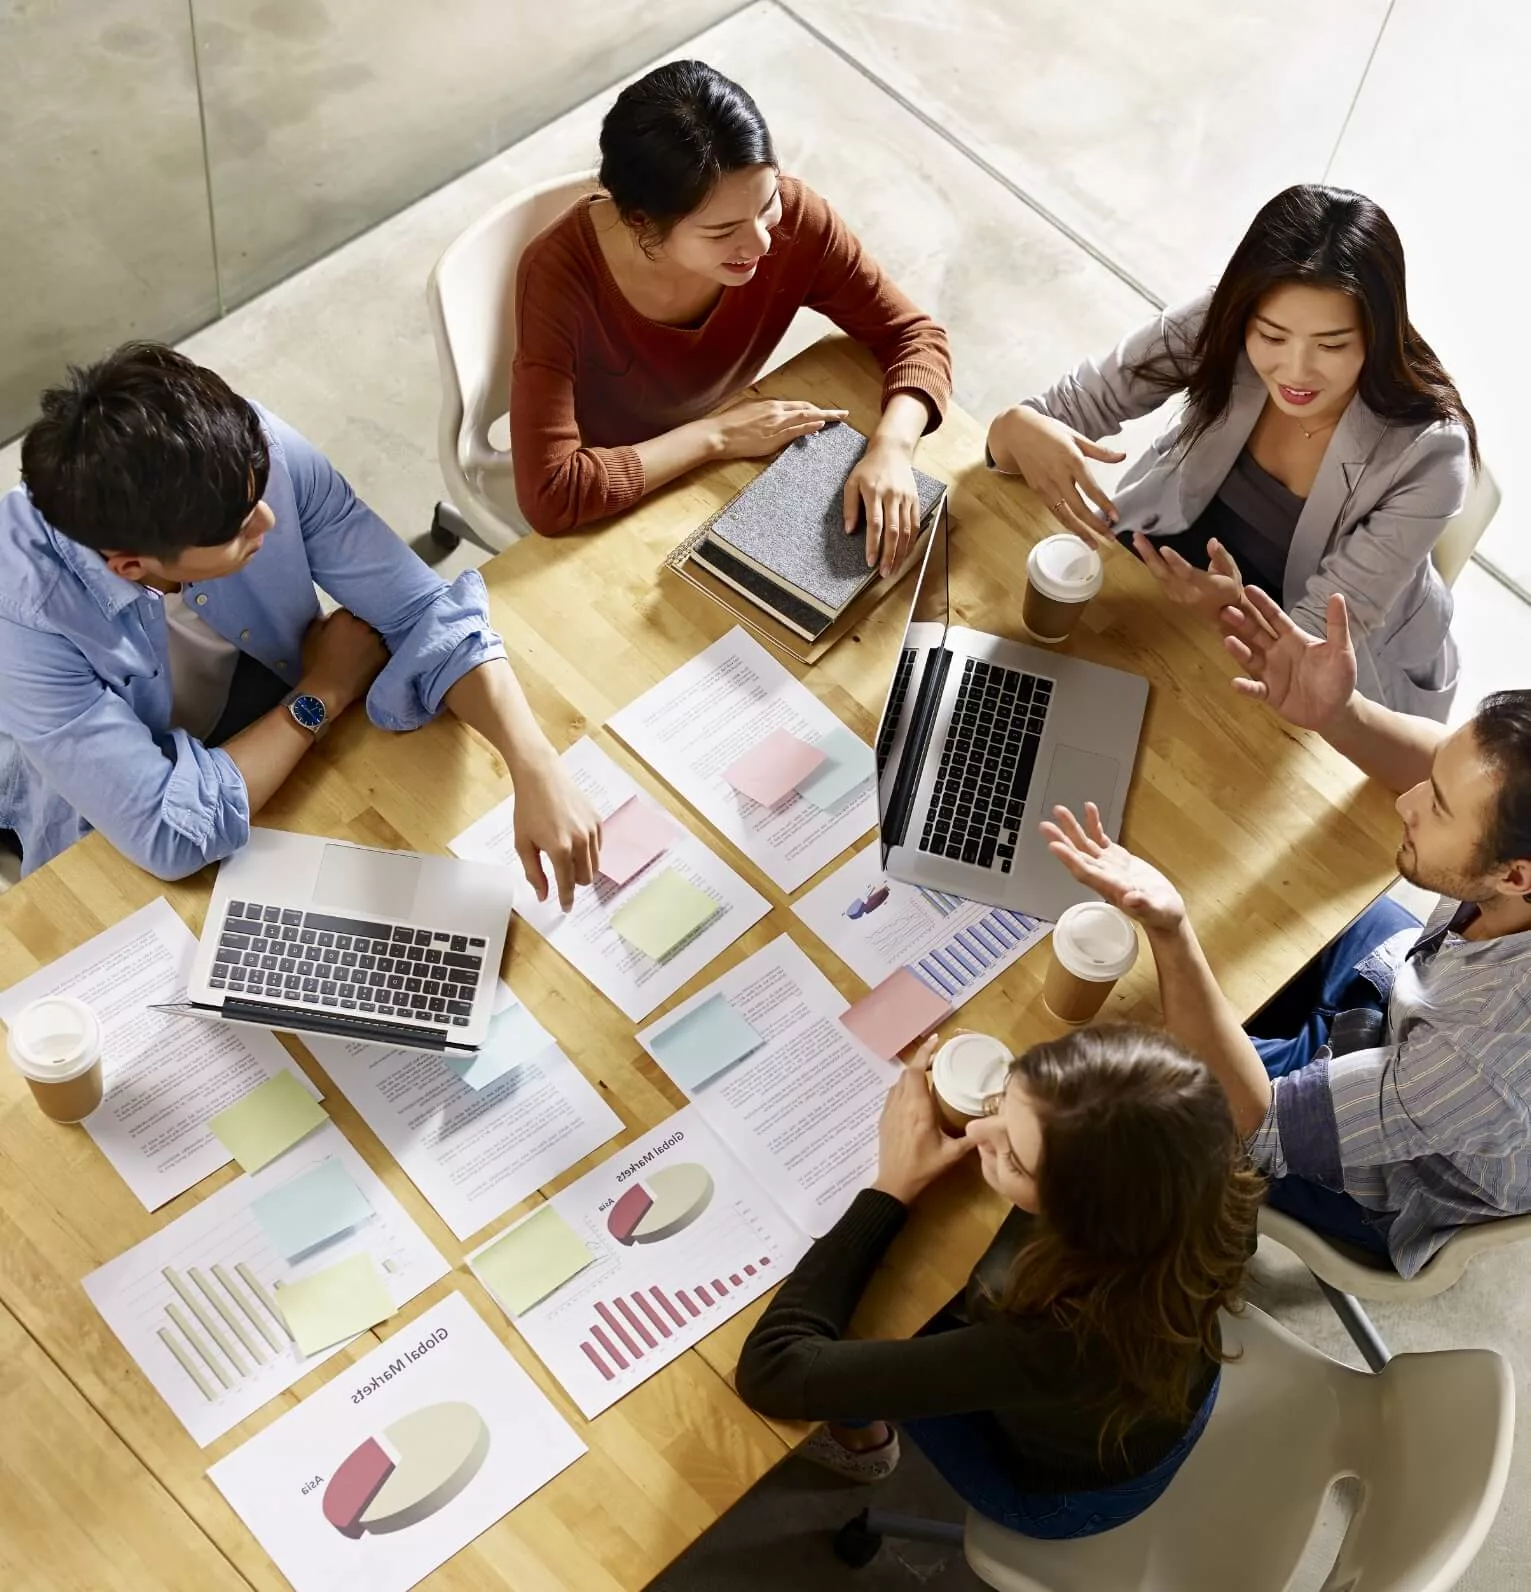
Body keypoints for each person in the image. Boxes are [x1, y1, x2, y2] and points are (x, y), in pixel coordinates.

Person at [0, 343, 600, 904]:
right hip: (106, 801)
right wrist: (325, 689)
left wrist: (535, 765)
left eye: (259, 496)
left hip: (258, 692)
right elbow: (168, 831)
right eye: (238, 530)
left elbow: (424, 612)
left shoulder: (243, 453)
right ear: (132, 566)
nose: (267, 519)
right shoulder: (24, 613)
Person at [1044, 586, 1531, 1278]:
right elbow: (1454, 776)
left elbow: (1258, 1124)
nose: (1407, 801)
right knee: (1254, 907)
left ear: (1514, 876)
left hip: (1387, 1168)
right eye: (1430, 778)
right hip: (1407, 992)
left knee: (1106, 1083)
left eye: (1438, 807)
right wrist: (1340, 713)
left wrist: (1171, 930)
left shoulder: (1482, 1058)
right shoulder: (1511, 863)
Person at [735, 1028, 1259, 1537]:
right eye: (1002, 1098)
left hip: (1068, 1496)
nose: (979, 1133)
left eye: (1013, 1157)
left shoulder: (1058, 1340)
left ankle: (862, 1447)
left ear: (1080, 1222)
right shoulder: (1204, 1172)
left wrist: (892, 1185)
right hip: (1160, 1403)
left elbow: (772, 1371)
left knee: (888, 1325)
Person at [986, 184, 1478, 720]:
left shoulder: (1431, 453)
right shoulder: (1222, 321)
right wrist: (1017, 426)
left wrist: (1232, 610)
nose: (1296, 371)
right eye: (1273, 336)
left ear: (1380, 335)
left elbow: (1315, 644)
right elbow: (1064, 410)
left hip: (1323, 656)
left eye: (1332, 345)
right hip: (1175, 565)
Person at [511, 59, 952, 569]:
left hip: (731, 458)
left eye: (767, 204)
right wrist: (718, 436)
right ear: (640, 222)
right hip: (629, 480)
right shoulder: (558, 276)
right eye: (722, 232)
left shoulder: (797, 220)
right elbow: (552, 493)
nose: (762, 243)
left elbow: (915, 336)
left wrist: (893, 447)